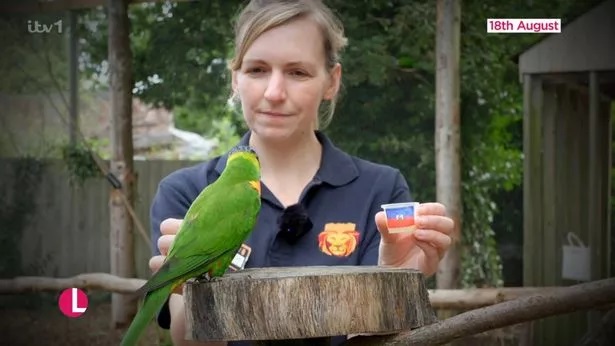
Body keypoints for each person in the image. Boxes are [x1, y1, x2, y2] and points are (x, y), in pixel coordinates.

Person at [148, 1, 455, 345]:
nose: (274, 93)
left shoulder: (380, 191)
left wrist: (394, 282)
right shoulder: (187, 192)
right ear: (235, 78)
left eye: (298, 72)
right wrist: (192, 276)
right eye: (257, 70)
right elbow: (186, 337)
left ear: (332, 82)